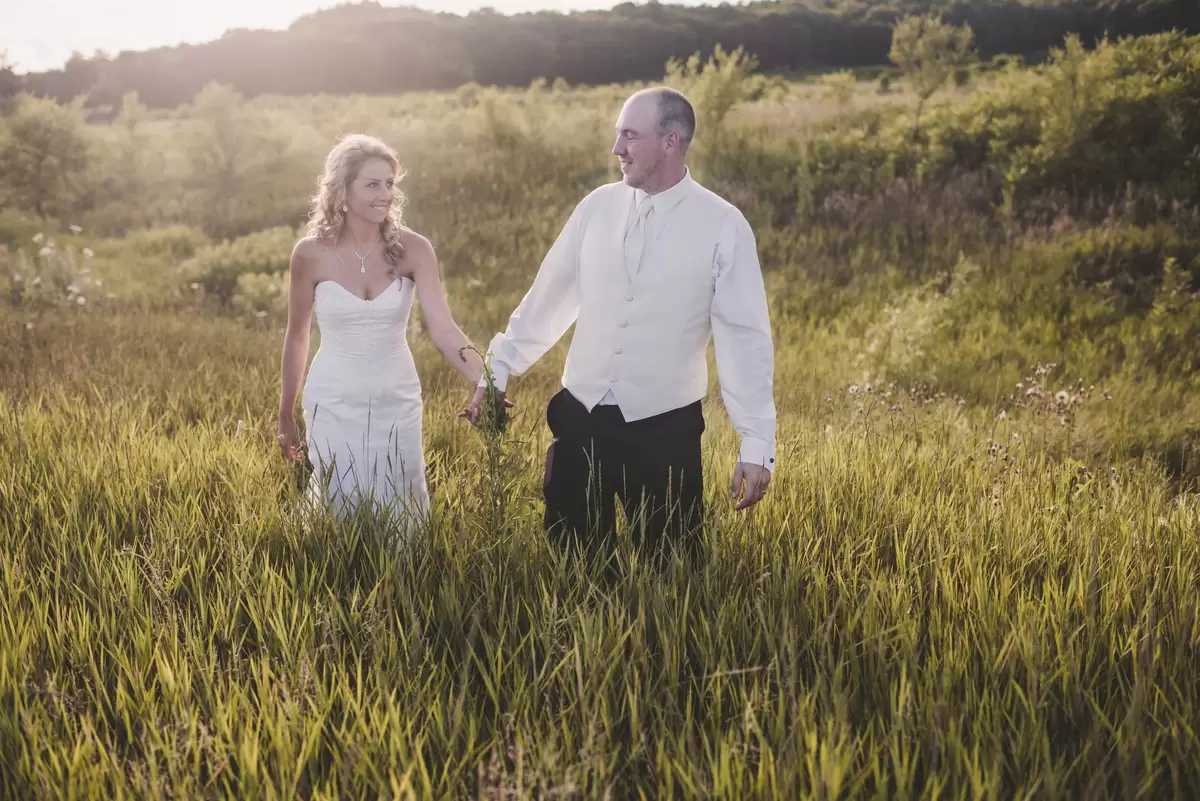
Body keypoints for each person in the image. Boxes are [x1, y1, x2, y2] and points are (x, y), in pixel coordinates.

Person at [462, 87, 776, 564]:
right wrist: (498, 366)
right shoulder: (596, 207)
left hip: (665, 430)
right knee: (573, 563)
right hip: (580, 418)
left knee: (672, 572)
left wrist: (757, 442)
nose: (617, 149)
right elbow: (549, 296)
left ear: (671, 142)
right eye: (617, 135)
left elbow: (744, 340)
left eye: (630, 136)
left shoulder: (723, 225)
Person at [278, 133, 489, 540]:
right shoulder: (309, 254)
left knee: (401, 509)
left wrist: (486, 380)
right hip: (333, 398)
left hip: (397, 396)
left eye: (390, 184)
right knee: (339, 507)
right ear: (342, 191)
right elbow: (297, 337)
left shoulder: (414, 249)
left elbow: (444, 330)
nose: (385, 194)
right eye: (372, 184)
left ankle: (403, 593)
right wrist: (286, 414)